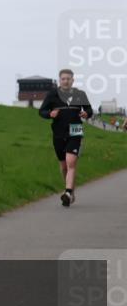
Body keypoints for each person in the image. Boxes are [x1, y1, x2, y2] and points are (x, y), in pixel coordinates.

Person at [38, 70, 93, 206]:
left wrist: (86, 113)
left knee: (71, 162)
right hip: (58, 133)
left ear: (73, 80)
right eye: (63, 79)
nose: (66, 81)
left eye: (68, 79)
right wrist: (50, 114)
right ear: (59, 80)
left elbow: (89, 110)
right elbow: (41, 111)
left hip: (76, 130)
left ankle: (67, 192)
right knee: (63, 166)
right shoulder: (52, 94)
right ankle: (70, 191)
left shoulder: (80, 94)